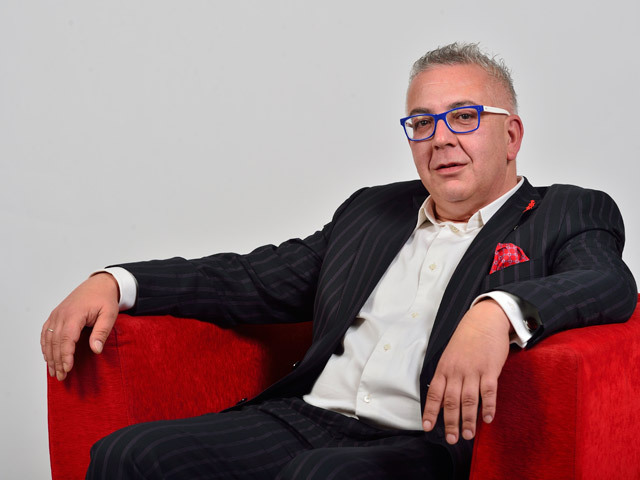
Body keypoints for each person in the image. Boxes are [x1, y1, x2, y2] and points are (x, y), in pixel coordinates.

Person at [42, 43, 637, 480]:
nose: (440, 138)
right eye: (422, 123)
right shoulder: (371, 212)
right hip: (307, 418)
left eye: (463, 116)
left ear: (511, 136)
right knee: (128, 455)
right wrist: (115, 281)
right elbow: (250, 278)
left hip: (422, 444)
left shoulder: (566, 212)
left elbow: (605, 282)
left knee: (321, 477)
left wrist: (496, 313)